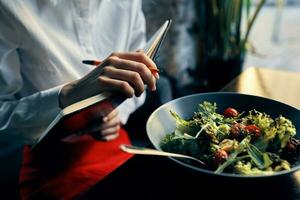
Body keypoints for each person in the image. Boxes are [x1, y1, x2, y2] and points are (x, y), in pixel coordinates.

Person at [0, 1, 157, 199]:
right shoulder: (9, 6)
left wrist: (118, 114)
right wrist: (68, 94)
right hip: (50, 160)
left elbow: (141, 71)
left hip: (116, 142)